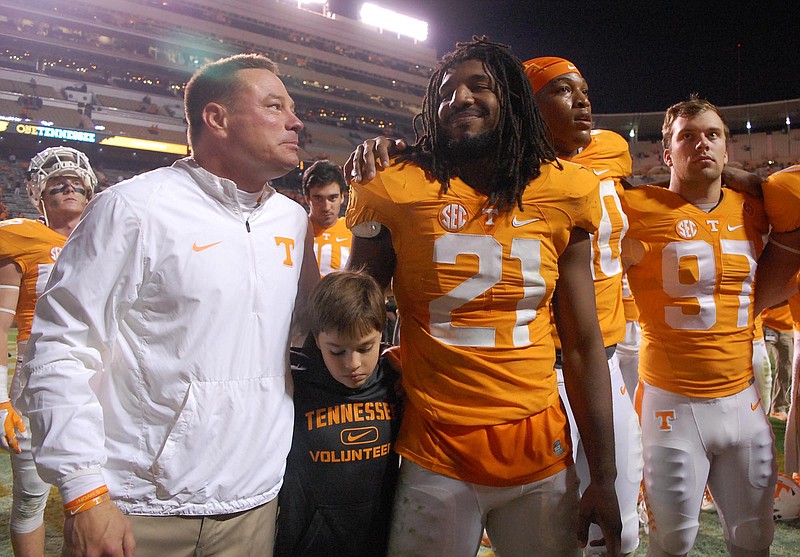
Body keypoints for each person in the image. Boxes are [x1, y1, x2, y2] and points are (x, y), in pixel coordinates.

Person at [19, 53, 319, 557]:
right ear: (217, 119)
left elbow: (307, 334)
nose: (296, 120)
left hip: (255, 501)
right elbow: (58, 349)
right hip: (140, 506)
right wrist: (84, 492)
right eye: (275, 106)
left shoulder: (291, 219)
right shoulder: (133, 208)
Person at [346, 37, 621, 557]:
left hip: (539, 441)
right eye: (447, 90)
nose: (460, 98)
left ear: (513, 100)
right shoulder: (397, 186)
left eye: (480, 85)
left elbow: (584, 343)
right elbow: (350, 309)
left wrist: (604, 476)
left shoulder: (564, 188)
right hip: (435, 445)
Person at [621, 95, 776, 557]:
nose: (701, 144)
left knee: (754, 539)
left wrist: (755, 183)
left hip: (743, 400)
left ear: (729, 150)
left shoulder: (758, 209)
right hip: (672, 404)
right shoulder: (633, 208)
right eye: (687, 136)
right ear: (666, 153)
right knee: (672, 542)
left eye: (712, 135)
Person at [523, 56, 642, 557]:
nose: (583, 100)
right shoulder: (511, 172)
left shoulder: (610, 150)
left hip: (604, 355)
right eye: (563, 90)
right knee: (552, 529)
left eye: (585, 90)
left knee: (621, 525)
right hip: (539, 364)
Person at [0, 146, 96, 557]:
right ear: (40, 196)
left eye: (76, 184)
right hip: (36, 376)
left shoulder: (109, 240)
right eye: (58, 185)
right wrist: (1, 397)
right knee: (32, 496)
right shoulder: (23, 237)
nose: (68, 189)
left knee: (97, 495)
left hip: (100, 375)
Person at [274, 271, 402, 557]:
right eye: (337, 351)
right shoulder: (292, 387)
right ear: (317, 340)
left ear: (381, 332)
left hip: (376, 542)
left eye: (365, 348)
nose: (352, 364)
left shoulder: (396, 382)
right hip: (307, 546)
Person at [303, 159, 351, 275]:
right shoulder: (294, 232)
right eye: (318, 198)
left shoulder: (354, 234)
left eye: (333, 198)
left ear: (342, 197)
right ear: (307, 198)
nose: (326, 207)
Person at [762, 302, 794, 419]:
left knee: (786, 370)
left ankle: (778, 408)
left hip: (788, 329)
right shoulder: (785, 284)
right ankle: (754, 404)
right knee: (760, 367)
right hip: (767, 325)